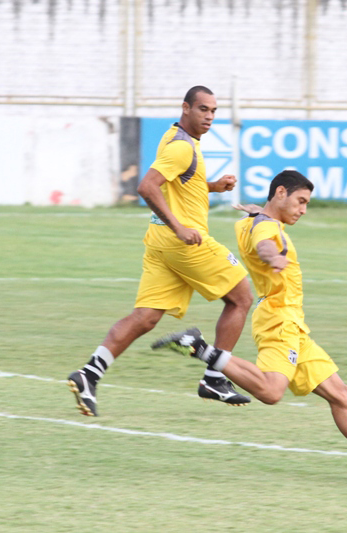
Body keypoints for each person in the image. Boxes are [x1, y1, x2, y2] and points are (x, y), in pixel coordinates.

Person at [152, 170, 347, 480]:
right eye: (301, 201)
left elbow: (259, 224)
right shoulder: (267, 230)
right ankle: (200, 348)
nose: (303, 209)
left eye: (307, 204)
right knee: (272, 392)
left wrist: (258, 210)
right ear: (281, 192)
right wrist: (272, 256)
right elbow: (264, 243)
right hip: (279, 320)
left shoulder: (253, 221)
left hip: (294, 324)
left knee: (340, 393)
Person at [67, 86, 253, 416]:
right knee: (241, 297)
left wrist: (212, 186)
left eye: (213, 111)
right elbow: (147, 186)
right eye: (203, 109)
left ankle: (89, 373)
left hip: (160, 241)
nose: (209, 116)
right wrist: (180, 227)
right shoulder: (183, 147)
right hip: (184, 242)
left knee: (146, 317)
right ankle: (213, 377)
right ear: (185, 108)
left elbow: (178, 181)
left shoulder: (174, 138)